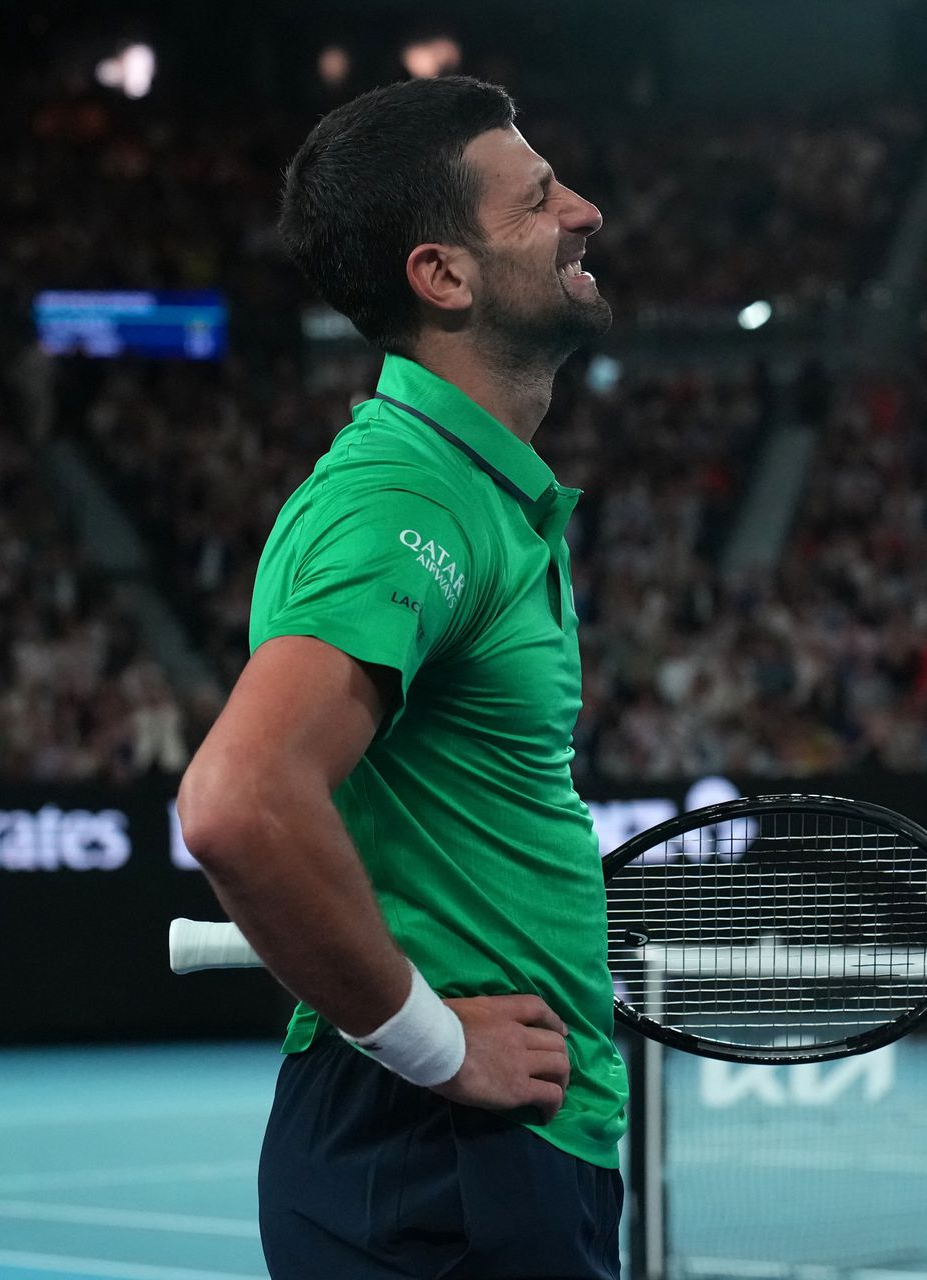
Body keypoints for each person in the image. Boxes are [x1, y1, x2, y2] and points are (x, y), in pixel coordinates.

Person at [177, 76, 622, 1279]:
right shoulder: (406, 499)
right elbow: (239, 799)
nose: (584, 210)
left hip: (484, 1153)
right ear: (444, 275)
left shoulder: (470, 491)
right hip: (443, 1156)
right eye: (537, 200)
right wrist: (432, 1044)